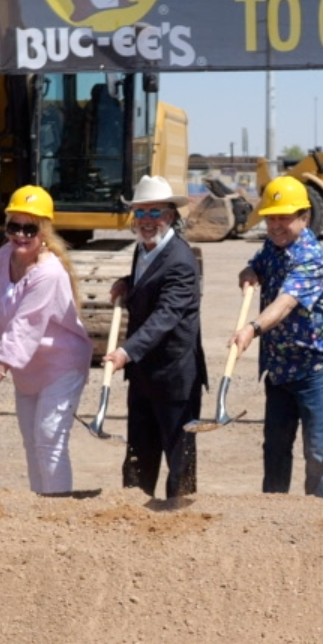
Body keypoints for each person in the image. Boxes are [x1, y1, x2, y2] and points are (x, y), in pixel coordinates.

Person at [0, 185, 94, 495]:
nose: (21, 235)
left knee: (49, 439)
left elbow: (23, 329)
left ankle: (56, 513)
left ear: (44, 231)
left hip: (60, 364)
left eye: (30, 228)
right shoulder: (4, 256)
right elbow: (4, 314)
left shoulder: (48, 273)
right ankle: (40, 509)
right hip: (27, 367)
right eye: (14, 226)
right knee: (31, 441)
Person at [232, 176, 323, 499]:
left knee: (317, 450)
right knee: (276, 447)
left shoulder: (311, 257)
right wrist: (249, 273)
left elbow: (284, 304)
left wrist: (252, 329)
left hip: (314, 368)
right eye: (271, 217)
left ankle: (318, 517)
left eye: (285, 217)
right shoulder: (272, 246)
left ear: (304, 218)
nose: (277, 225)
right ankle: (273, 513)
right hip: (279, 367)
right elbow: (255, 265)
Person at [106, 175, 207, 501]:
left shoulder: (181, 261)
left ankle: (180, 517)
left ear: (171, 216)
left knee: (179, 456)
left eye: (155, 213)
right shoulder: (144, 249)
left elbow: (166, 315)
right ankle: (132, 514)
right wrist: (128, 283)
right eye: (141, 213)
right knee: (140, 449)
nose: (147, 221)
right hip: (144, 373)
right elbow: (150, 282)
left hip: (175, 376)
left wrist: (126, 351)